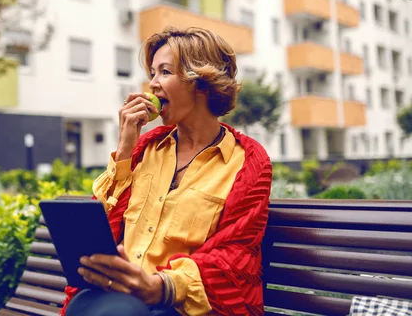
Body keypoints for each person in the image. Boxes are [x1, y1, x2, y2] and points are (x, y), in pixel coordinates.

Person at [62, 27, 273, 316]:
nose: (152, 85)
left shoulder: (247, 161)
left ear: (201, 81)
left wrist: (162, 286)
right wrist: (125, 149)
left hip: (183, 306)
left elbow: (236, 254)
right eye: (152, 73)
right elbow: (105, 223)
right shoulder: (146, 149)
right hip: (119, 296)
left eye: (164, 72)